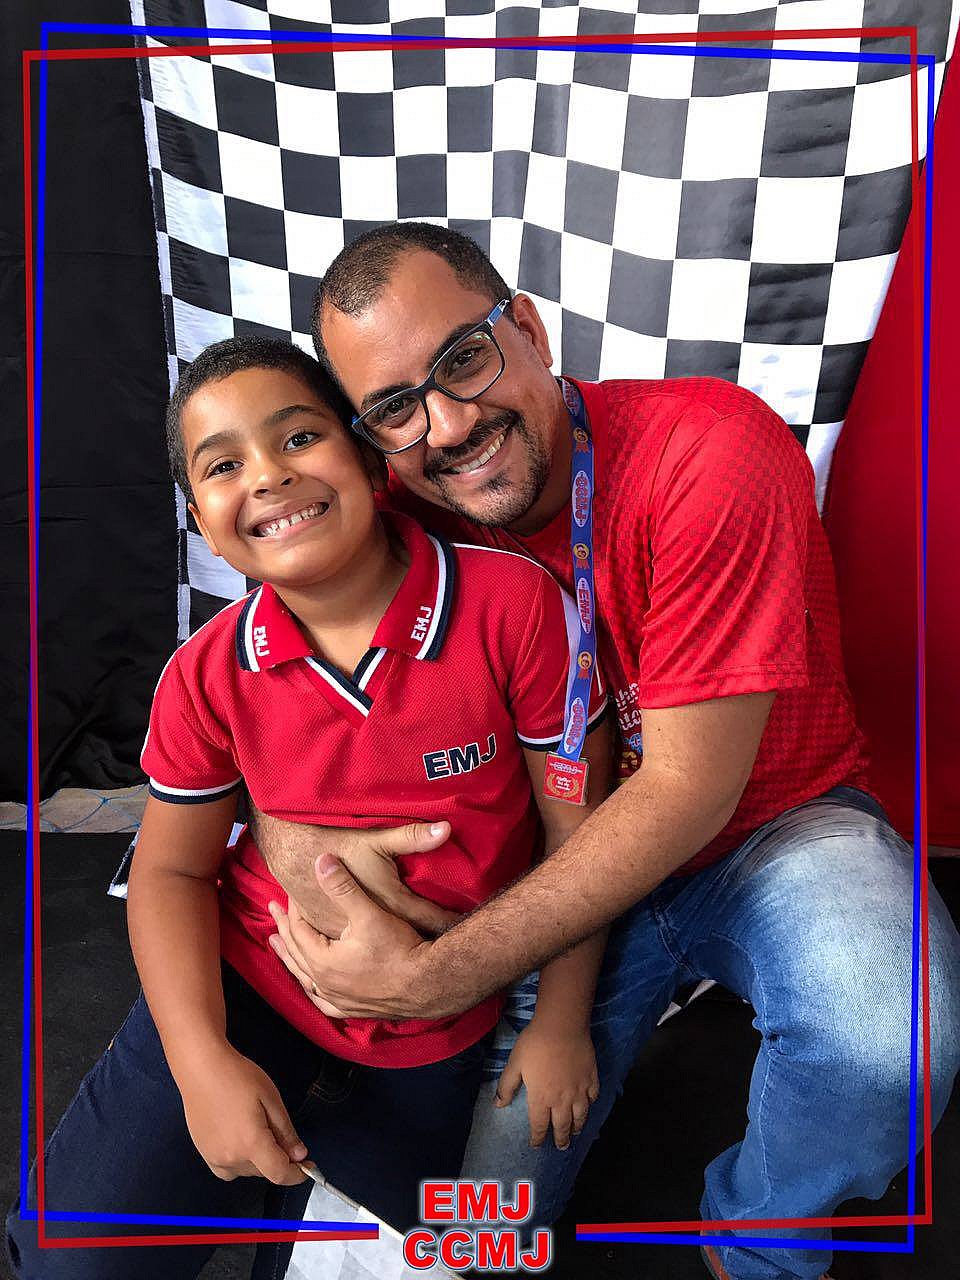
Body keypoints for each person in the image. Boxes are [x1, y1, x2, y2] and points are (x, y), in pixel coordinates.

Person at [254, 223, 960, 1280]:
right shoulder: (389, 511)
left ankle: (759, 1237)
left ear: (529, 329)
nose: (448, 425)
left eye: (464, 359)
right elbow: (263, 705)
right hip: (547, 866)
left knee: (888, 1034)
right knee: (481, 1237)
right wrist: (292, 840)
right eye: (396, 408)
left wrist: (437, 976)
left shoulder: (707, 448)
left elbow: (686, 790)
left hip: (770, 828)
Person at [5, 335, 612, 1280]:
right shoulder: (205, 674)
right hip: (249, 992)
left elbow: (581, 833)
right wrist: (202, 1065)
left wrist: (559, 1023)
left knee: (429, 1256)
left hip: (436, 1035)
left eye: (298, 438)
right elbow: (170, 872)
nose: (268, 476)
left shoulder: (515, 607)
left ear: (370, 460)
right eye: (223, 466)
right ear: (204, 527)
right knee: (67, 1262)